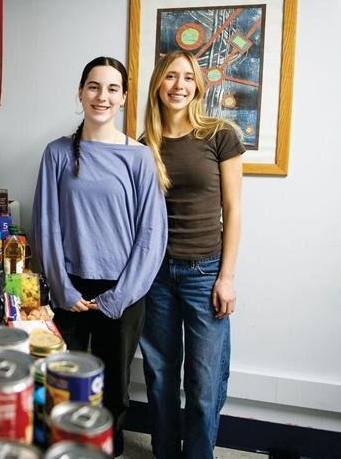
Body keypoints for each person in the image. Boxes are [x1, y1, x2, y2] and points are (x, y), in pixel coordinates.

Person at [32, 56, 168, 457]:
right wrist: (62, 288)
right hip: (69, 289)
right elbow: (46, 225)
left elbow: (151, 235)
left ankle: (108, 448)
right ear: (80, 92)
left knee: (113, 388)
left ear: (123, 98)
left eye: (111, 88)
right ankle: (64, 447)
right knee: (64, 380)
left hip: (122, 293)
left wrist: (120, 296)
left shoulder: (140, 158)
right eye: (93, 86)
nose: (101, 96)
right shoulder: (56, 153)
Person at [139, 50, 245, 459]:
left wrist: (227, 276)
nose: (179, 85)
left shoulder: (220, 135)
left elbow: (233, 210)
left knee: (203, 385)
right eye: (170, 77)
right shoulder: (144, 144)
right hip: (157, 276)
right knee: (161, 379)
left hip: (206, 273)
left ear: (198, 85)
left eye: (187, 77)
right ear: (158, 85)